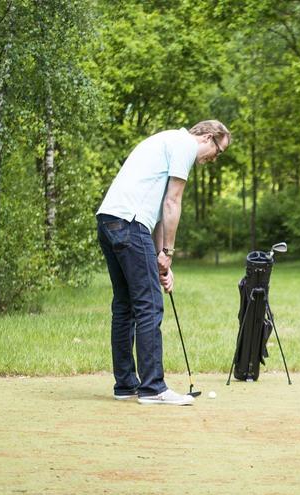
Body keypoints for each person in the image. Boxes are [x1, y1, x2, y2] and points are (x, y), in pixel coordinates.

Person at [96, 120, 231, 406]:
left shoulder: (166, 141)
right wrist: (168, 252)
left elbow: (155, 215)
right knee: (149, 305)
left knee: (125, 305)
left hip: (110, 220)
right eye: (218, 152)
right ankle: (153, 388)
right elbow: (172, 203)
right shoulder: (184, 146)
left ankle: (125, 385)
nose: (214, 159)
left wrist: (162, 262)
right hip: (130, 224)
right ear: (208, 137)